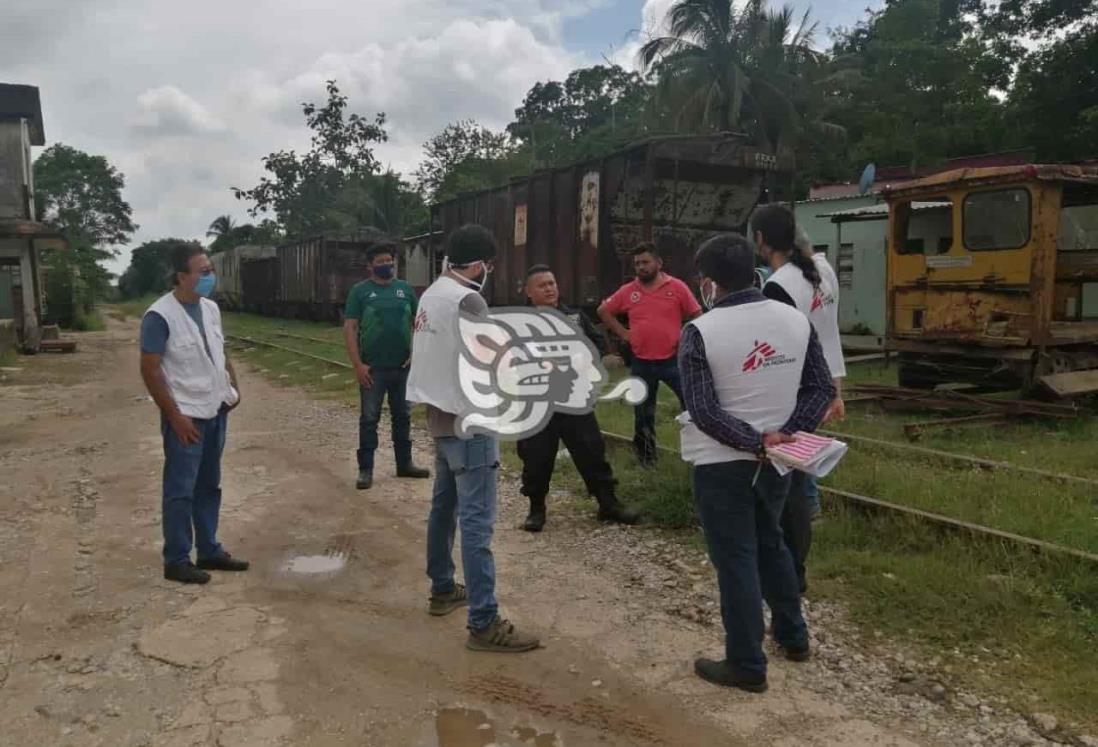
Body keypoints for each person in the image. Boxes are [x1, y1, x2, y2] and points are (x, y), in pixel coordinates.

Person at [678, 233, 834, 693]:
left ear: (708, 281)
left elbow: (704, 410)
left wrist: (754, 442)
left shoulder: (700, 332)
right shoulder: (793, 320)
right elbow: (821, 389)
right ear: (753, 269)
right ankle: (793, 637)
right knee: (771, 543)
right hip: (779, 463)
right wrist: (784, 436)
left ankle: (746, 663)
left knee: (737, 560)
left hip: (723, 464)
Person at [407, 224, 540, 653]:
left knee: (444, 508)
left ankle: (443, 588)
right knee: (477, 522)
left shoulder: (432, 294)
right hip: (471, 421)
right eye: (490, 265)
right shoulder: (468, 298)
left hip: (442, 418)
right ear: (482, 264)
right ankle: (484, 622)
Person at [139, 244, 249, 585]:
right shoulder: (159, 316)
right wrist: (174, 417)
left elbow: (219, 350)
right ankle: (176, 559)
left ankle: (209, 549)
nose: (209, 277)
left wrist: (233, 385)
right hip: (185, 417)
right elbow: (150, 370)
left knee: (208, 486)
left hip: (215, 410)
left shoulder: (211, 309)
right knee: (180, 489)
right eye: (203, 272)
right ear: (181, 277)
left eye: (210, 270)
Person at [753, 205, 846, 592]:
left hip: (794, 391)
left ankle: (789, 570)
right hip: (822, 387)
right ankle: (796, 565)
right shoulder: (823, 271)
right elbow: (830, 334)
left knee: (782, 486)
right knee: (799, 479)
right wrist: (837, 390)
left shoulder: (777, 286)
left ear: (760, 240)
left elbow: (783, 350)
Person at [517, 265, 640, 531]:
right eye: (542, 285)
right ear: (529, 292)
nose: (550, 288)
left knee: (591, 451)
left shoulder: (575, 317)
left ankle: (608, 503)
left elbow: (597, 345)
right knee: (536, 457)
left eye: (552, 283)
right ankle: (536, 509)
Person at [597, 243, 701, 465]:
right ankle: (646, 459)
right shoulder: (628, 291)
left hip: (673, 361)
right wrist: (623, 333)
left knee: (693, 405)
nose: (641, 267)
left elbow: (697, 314)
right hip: (642, 362)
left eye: (645, 262)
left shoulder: (677, 287)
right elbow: (603, 311)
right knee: (643, 414)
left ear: (658, 263)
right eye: (637, 264)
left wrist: (685, 337)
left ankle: (697, 454)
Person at [343, 242, 430, 490]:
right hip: (372, 369)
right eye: (380, 262)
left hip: (402, 368)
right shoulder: (360, 292)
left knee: (402, 416)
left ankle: (405, 464)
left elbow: (420, 324)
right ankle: (366, 470)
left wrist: (416, 354)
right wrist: (358, 365)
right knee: (369, 418)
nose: (386, 265)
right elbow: (350, 327)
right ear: (370, 265)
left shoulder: (404, 290)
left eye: (389, 260)